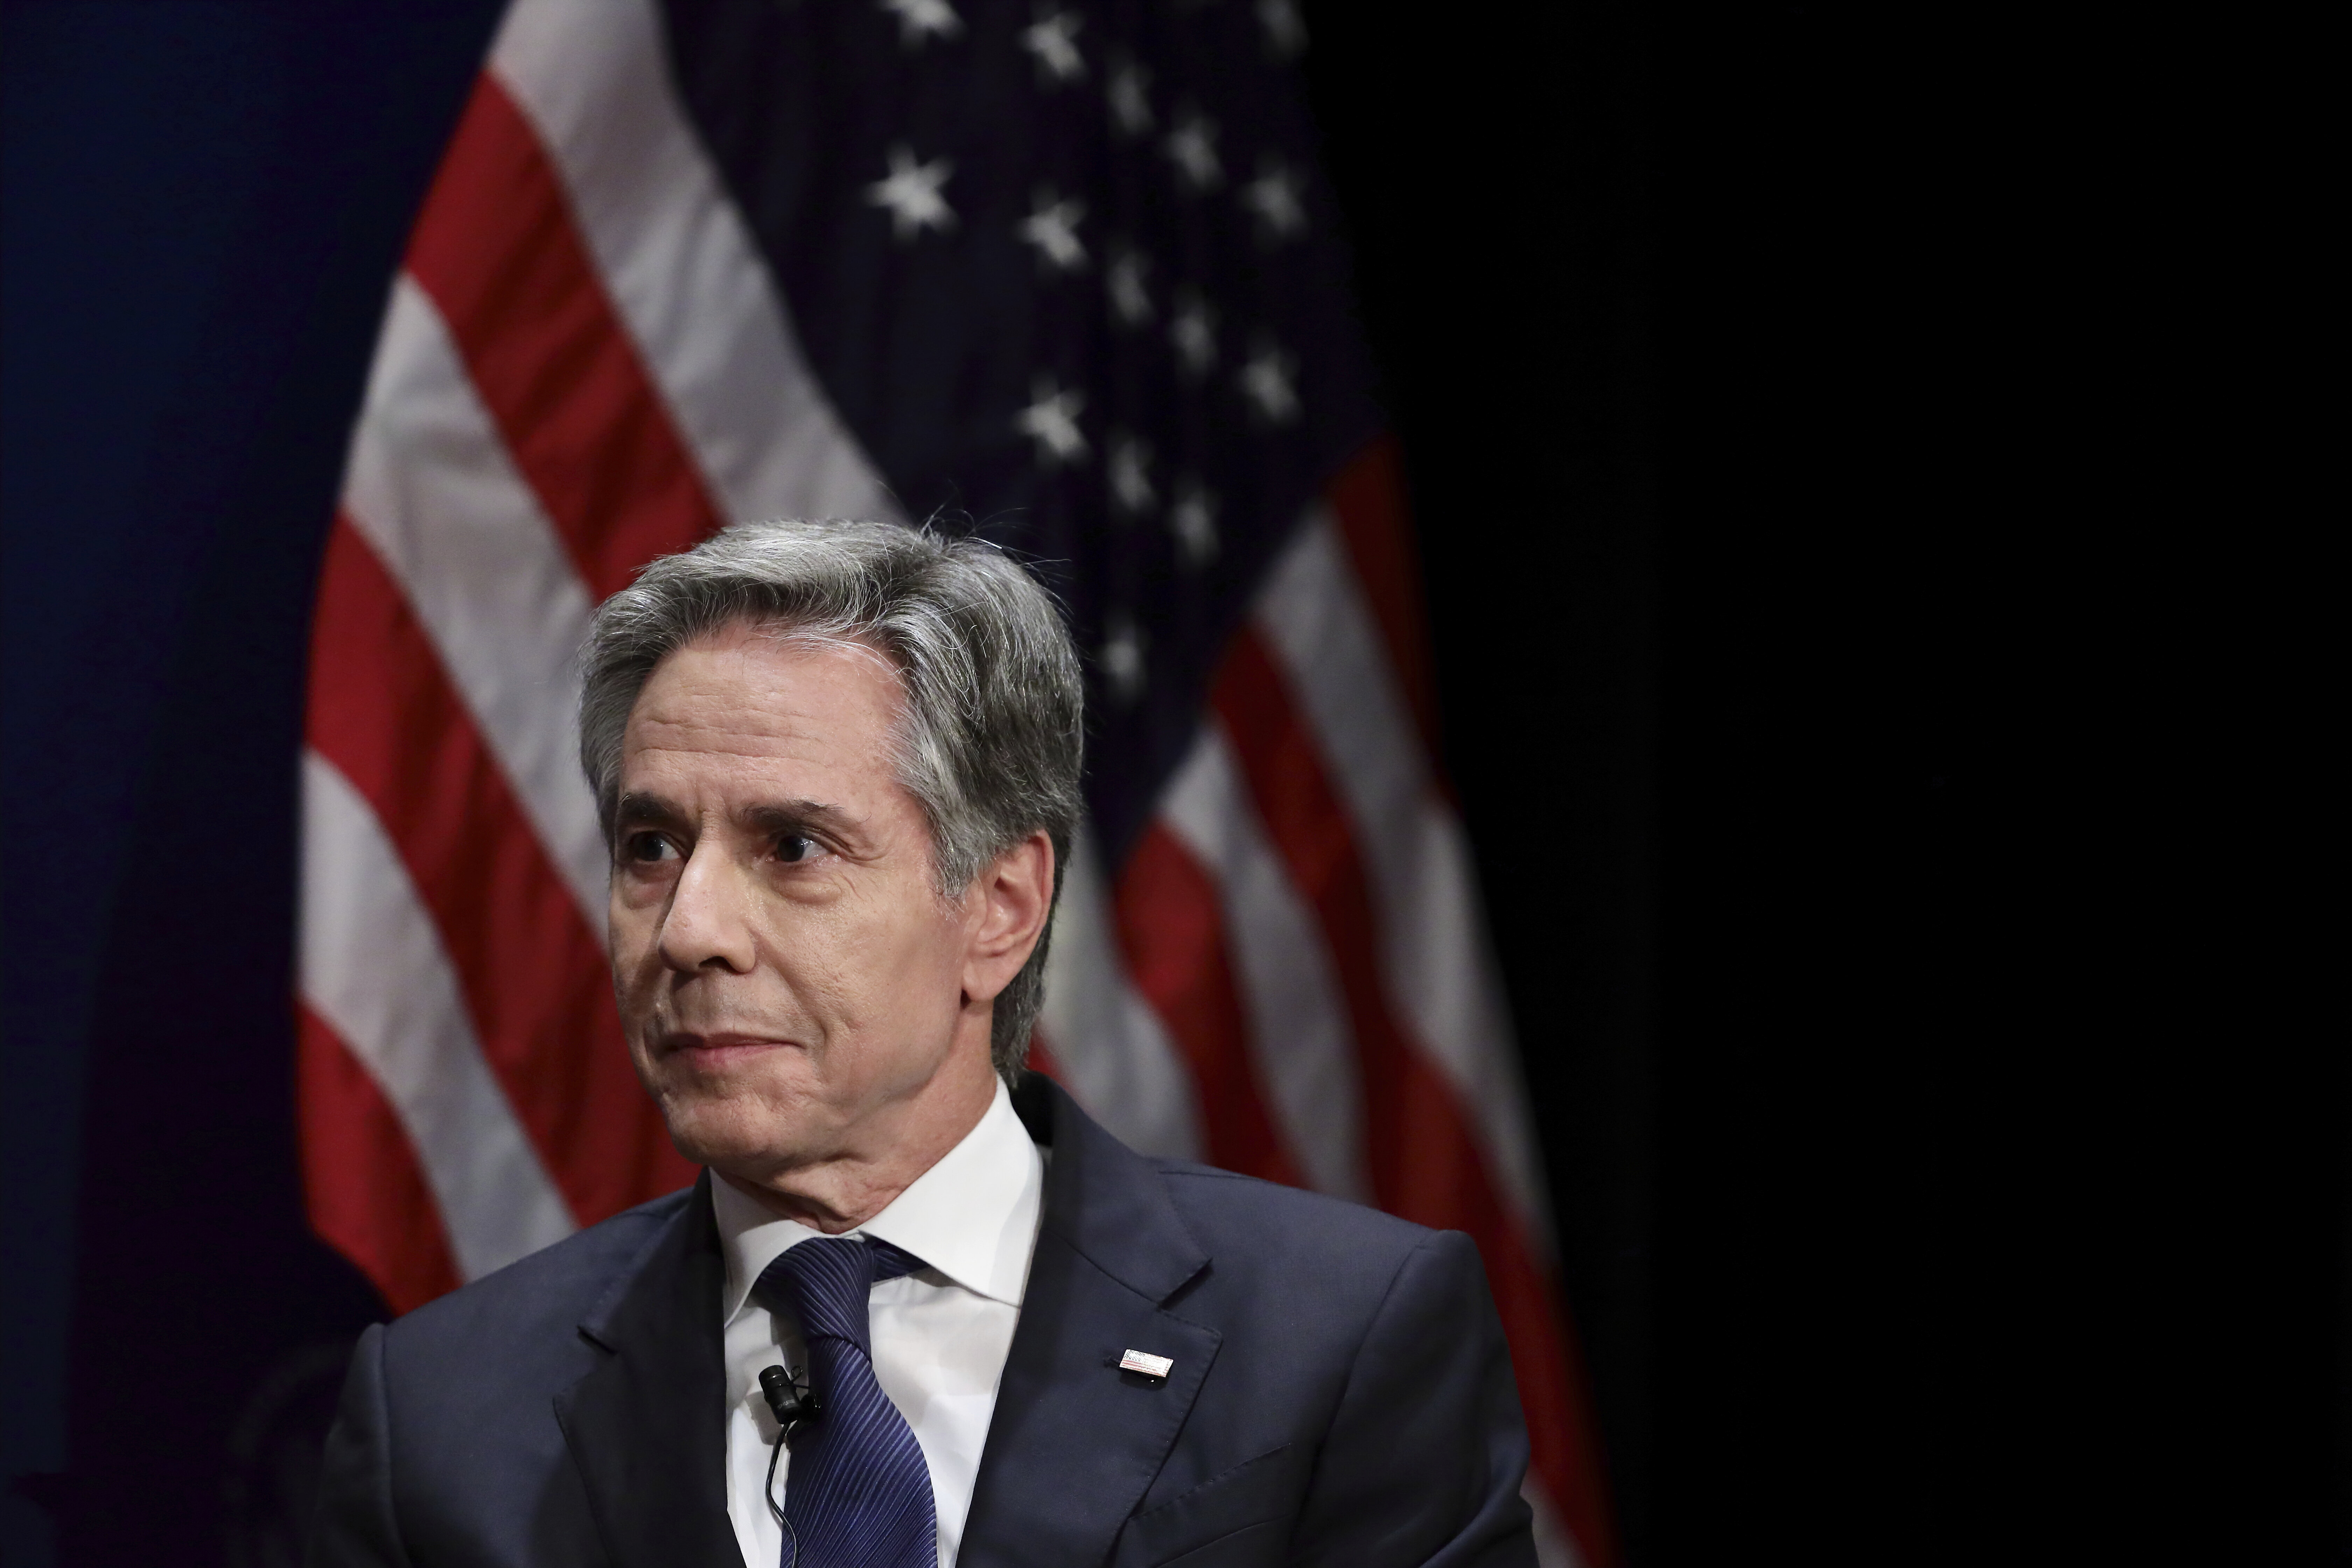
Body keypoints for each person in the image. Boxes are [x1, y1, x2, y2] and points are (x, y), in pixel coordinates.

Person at [307, 518, 1536, 1568]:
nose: (688, 932)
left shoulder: (1340, 1340)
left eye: (792, 848)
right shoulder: (442, 1419)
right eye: (650, 847)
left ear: (998, 909)